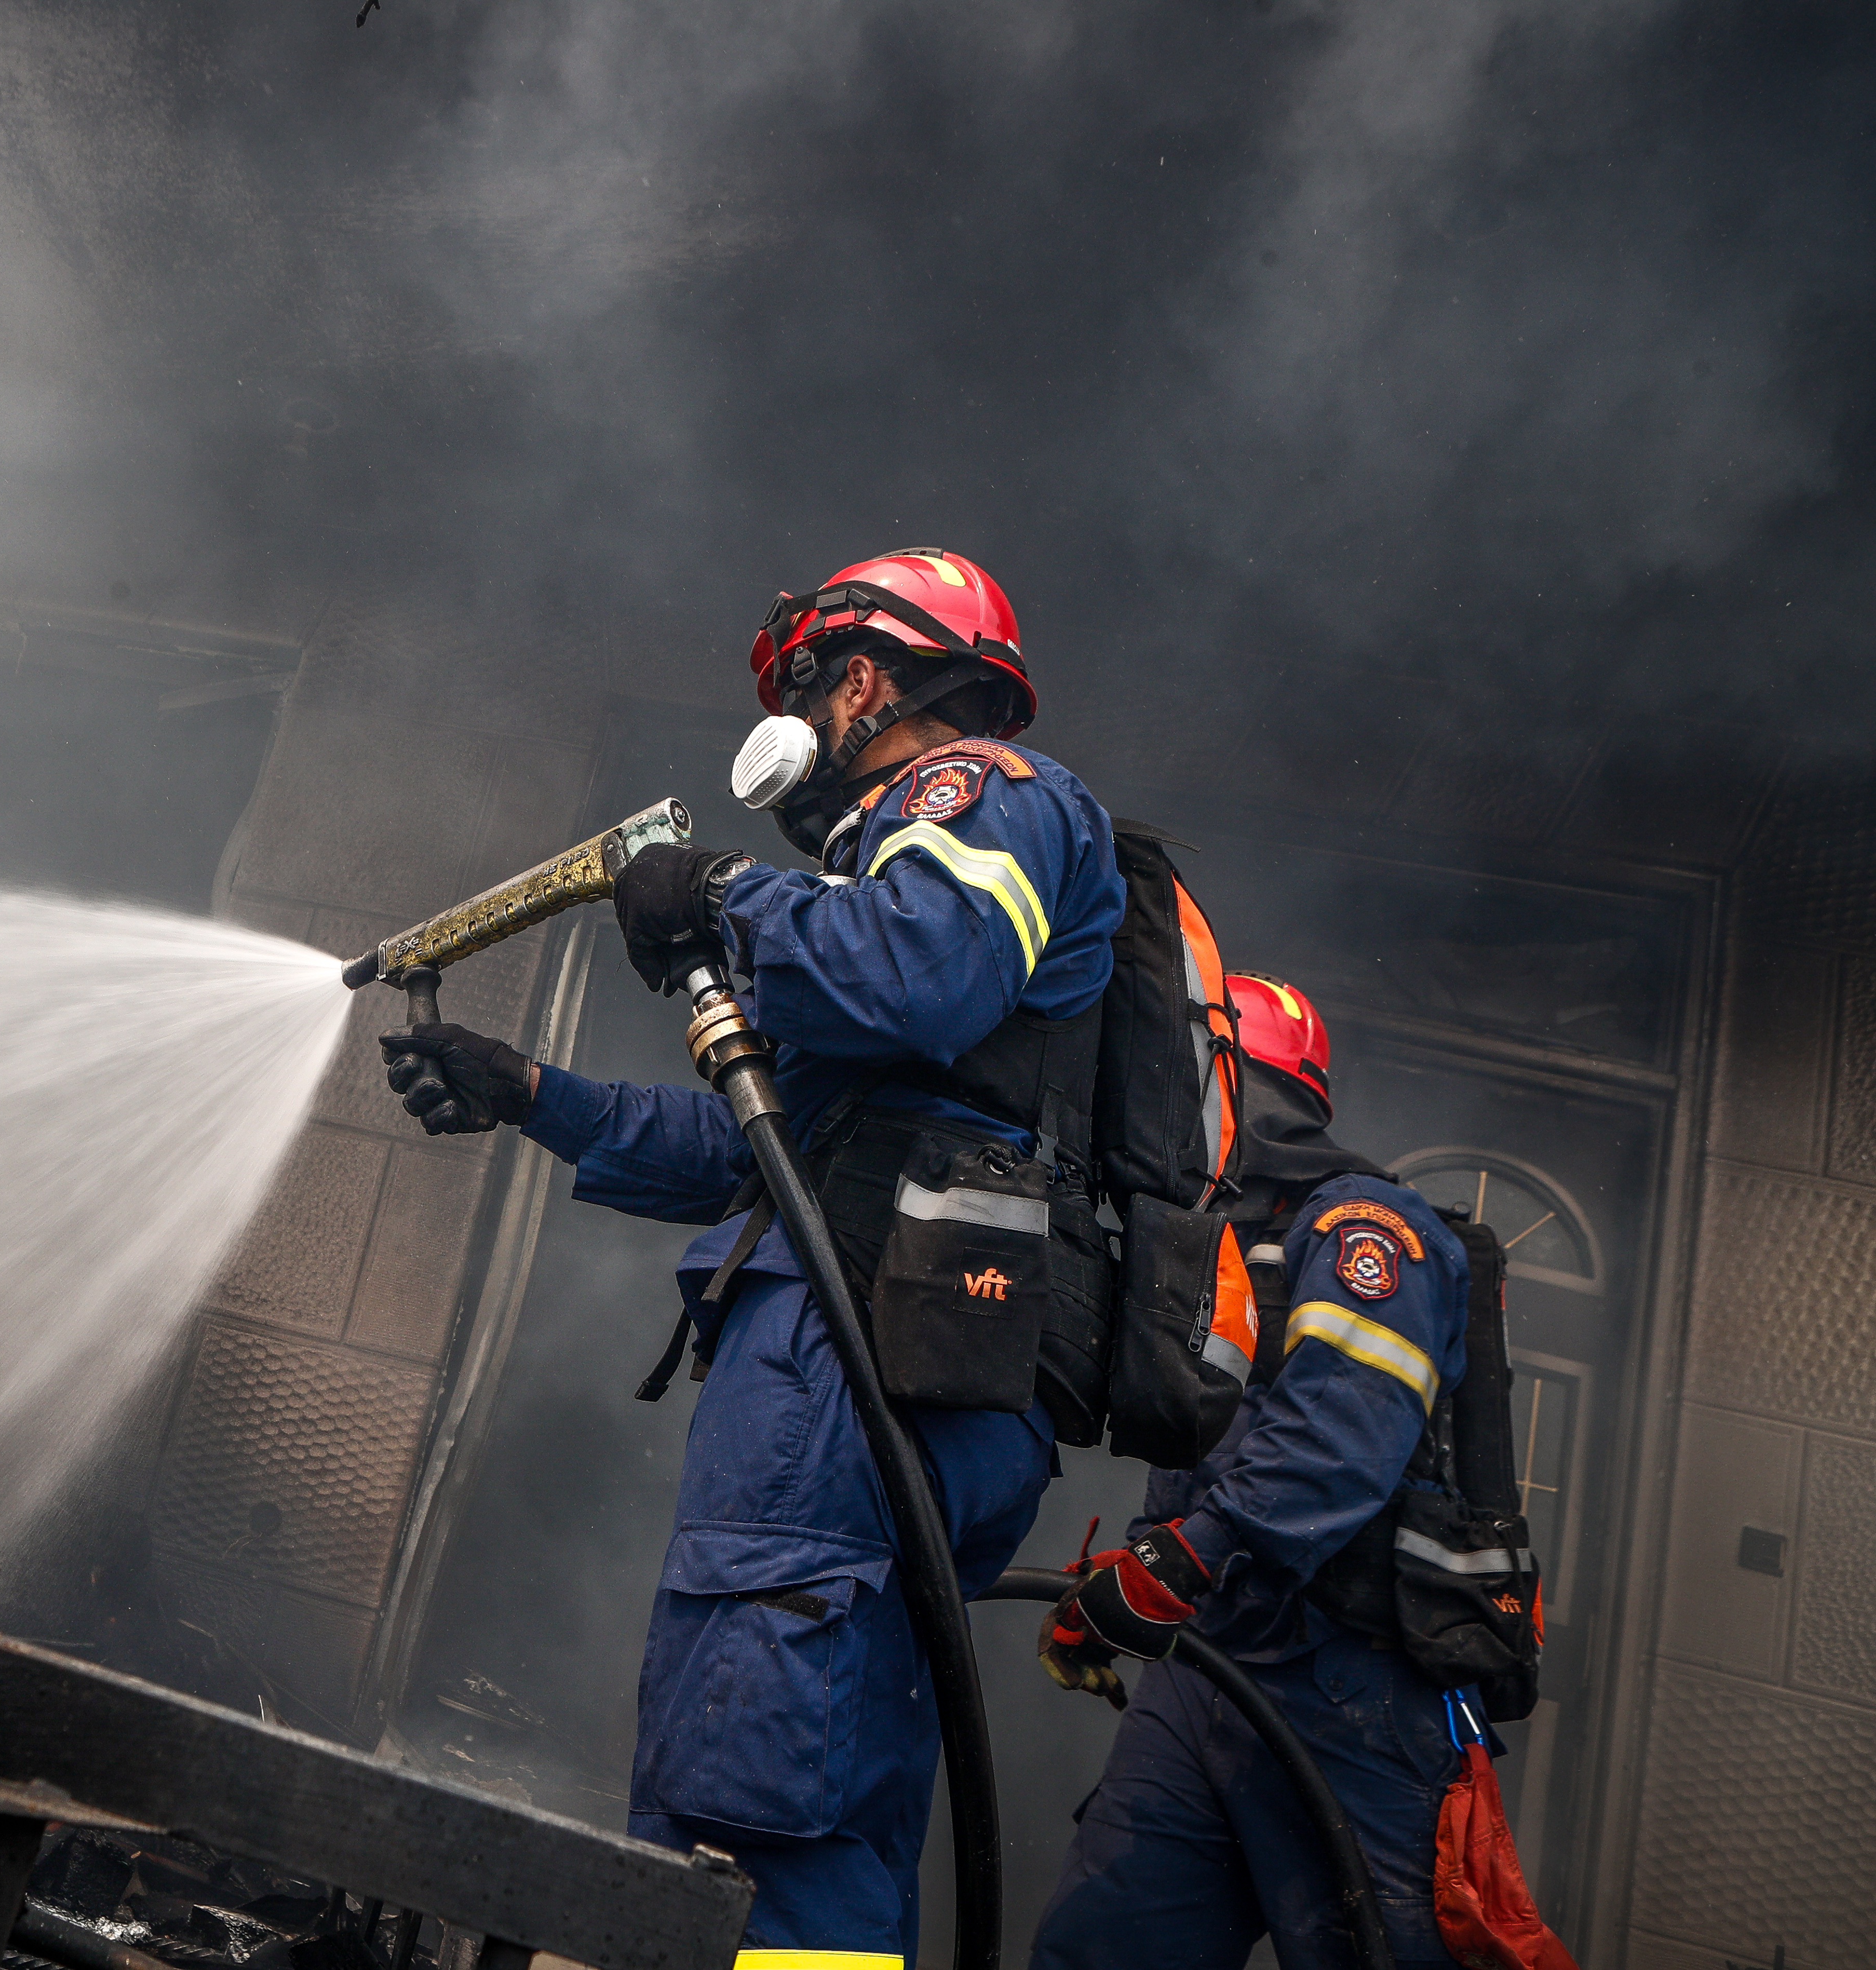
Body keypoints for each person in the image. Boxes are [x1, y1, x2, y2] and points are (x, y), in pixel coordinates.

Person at [380, 549, 1126, 1964]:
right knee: (818, 1804)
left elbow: (920, 969)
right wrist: (527, 1092)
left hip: (859, 1367)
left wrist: (723, 891)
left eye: (799, 680)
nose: (790, 717)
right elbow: (759, 1148)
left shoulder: (975, 795)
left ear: (860, 677)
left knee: (743, 1806)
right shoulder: (892, 891)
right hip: (900, 1346)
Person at [1029, 972, 1473, 1970]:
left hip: (1351, 1687)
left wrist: (1183, 1563)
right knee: (1103, 1951)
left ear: (1237, 1077)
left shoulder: (1366, 1231)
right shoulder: (1216, 1246)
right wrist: (1129, 1583)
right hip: (1206, 1677)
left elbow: (1335, 1437)